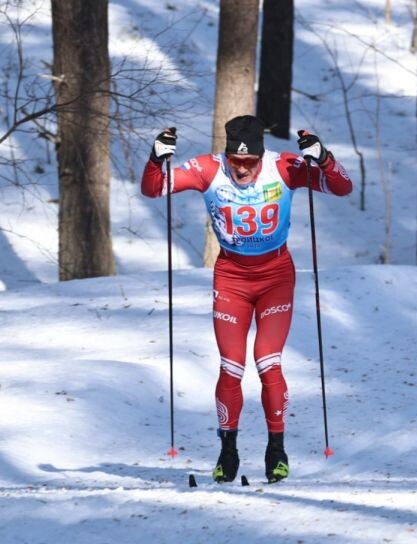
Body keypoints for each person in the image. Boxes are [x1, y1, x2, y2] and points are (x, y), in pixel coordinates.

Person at [140, 115, 353, 483]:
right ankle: (228, 451)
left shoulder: (284, 166)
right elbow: (153, 189)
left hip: (275, 277)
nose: (241, 170)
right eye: (235, 162)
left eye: (249, 163)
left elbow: (342, 188)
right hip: (232, 278)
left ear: (260, 155)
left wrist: (324, 158)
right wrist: (156, 158)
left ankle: (276, 450)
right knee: (232, 365)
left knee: (267, 362)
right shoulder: (208, 169)